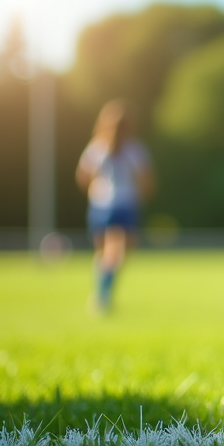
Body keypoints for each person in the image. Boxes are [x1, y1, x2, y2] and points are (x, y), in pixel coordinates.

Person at [75, 100, 155, 312]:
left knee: (104, 254)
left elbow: (82, 176)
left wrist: (95, 190)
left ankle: (101, 292)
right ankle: (102, 295)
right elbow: (147, 180)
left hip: (100, 205)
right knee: (116, 253)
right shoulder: (134, 150)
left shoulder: (96, 147)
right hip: (124, 205)